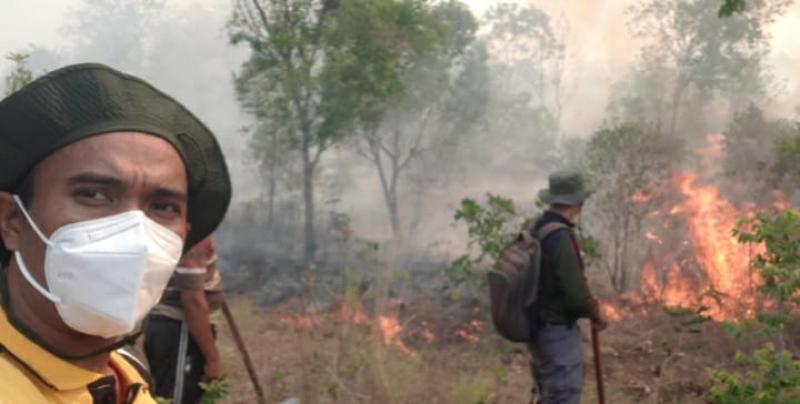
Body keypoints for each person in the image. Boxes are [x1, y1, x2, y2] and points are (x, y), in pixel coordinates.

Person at [0, 63, 231, 403]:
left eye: (163, 207)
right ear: (12, 221)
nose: (135, 237)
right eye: (93, 194)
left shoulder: (126, 375)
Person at [529, 170, 607, 404]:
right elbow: (574, 295)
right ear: (578, 203)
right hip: (556, 332)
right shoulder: (561, 236)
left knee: (548, 393)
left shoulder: (538, 228)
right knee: (563, 396)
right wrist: (595, 314)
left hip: (536, 328)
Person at [145, 235, 225, 403]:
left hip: (173, 328)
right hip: (180, 329)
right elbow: (193, 302)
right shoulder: (193, 237)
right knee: (177, 398)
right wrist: (213, 359)